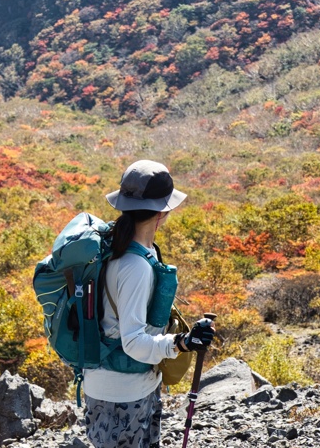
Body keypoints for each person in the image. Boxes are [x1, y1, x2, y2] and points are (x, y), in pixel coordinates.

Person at [82, 160, 216, 448]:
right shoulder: (135, 266)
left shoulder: (120, 246)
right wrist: (182, 342)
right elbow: (133, 342)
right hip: (122, 393)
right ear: (162, 211)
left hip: (122, 385)